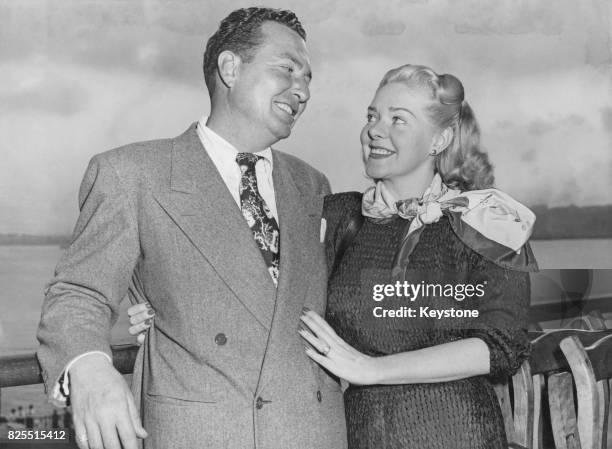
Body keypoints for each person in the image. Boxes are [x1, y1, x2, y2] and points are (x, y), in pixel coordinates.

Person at [36, 7, 346, 449]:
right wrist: (89, 367)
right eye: (287, 70)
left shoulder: (313, 185)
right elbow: (78, 292)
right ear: (230, 68)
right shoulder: (132, 174)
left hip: (315, 434)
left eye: (309, 78)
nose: (303, 90)